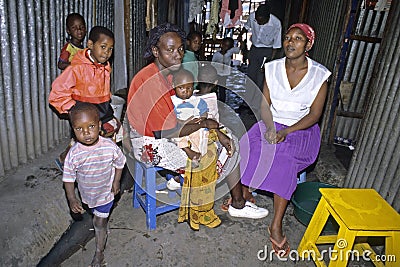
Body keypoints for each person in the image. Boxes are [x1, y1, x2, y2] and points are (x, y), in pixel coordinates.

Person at [125, 23, 269, 226]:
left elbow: (172, 117)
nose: (178, 55)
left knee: (223, 134)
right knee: (220, 147)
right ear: (156, 51)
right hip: (149, 142)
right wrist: (207, 125)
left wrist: (211, 126)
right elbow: (164, 131)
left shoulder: (164, 73)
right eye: (170, 50)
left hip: (163, 131)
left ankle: (232, 199)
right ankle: (236, 203)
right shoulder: (150, 81)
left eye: (180, 49)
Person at [239, 23, 331, 256]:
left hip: (301, 129)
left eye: (298, 39)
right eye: (288, 38)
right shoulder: (272, 68)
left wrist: (286, 132)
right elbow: (264, 104)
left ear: (308, 44)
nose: (291, 42)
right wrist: (270, 128)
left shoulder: (320, 75)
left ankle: (276, 225)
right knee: (244, 147)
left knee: (284, 159)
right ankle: (244, 193)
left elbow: (314, 115)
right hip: (272, 122)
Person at [63, 102, 126, 267]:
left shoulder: (109, 147)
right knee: (93, 212)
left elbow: (120, 162)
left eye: (91, 126)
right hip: (88, 194)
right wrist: (71, 198)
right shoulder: (74, 154)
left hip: (106, 193)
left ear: (99, 126)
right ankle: (102, 227)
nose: (86, 133)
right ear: (73, 129)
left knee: (98, 222)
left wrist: (116, 181)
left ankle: (99, 253)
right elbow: (68, 177)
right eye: (79, 129)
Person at [49, 26, 120, 170]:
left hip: (102, 109)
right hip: (84, 114)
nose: (107, 53)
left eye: (110, 49)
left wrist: (108, 107)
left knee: (113, 130)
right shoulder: (77, 68)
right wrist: (73, 110)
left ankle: (103, 165)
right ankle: (66, 160)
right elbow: (57, 93)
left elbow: (103, 89)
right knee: (82, 142)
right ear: (90, 45)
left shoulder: (105, 66)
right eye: (103, 47)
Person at [170, 68, 209, 170]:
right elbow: (171, 117)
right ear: (173, 85)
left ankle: (198, 155)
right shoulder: (172, 101)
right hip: (180, 127)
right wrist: (183, 122)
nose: (185, 92)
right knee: (176, 137)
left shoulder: (196, 100)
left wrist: (201, 119)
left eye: (189, 88)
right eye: (181, 88)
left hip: (195, 126)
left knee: (201, 135)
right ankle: (187, 151)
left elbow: (204, 112)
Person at [240, 3, 282, 92]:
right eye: (257, 20)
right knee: (251, 75)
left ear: (268, 18)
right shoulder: (252, 17)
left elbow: (276, 45)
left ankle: (258, 101)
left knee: (261, 77)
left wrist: (270, 60)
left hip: (267, 51)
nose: (258, 23)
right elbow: (246, 27)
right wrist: (241, 39)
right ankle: (248, 99)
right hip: (254, 49)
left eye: (261, 21)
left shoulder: (276, 24)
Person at [211, 37, 240, 102]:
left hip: (224, 74)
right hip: (216, 73)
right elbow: (212, 64)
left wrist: (240, 40)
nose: (226, 48)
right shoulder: (216, 54)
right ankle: (214, 99)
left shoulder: (229, 53)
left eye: (228, 47)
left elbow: (237, 49)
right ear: (222, 44)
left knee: (222, 88)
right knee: (214, 87)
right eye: (225, 45)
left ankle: (222, 101)